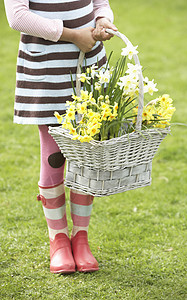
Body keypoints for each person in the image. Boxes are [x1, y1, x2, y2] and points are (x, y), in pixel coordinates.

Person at [4, 0, 117, 274]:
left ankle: (81, 239)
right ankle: (58, 240)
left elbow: (100, 3)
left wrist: (102, 19)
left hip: (88, 62)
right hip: (47, 69)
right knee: (54, 156)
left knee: (84, 155)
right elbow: (17, 16)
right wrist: (71, 34)